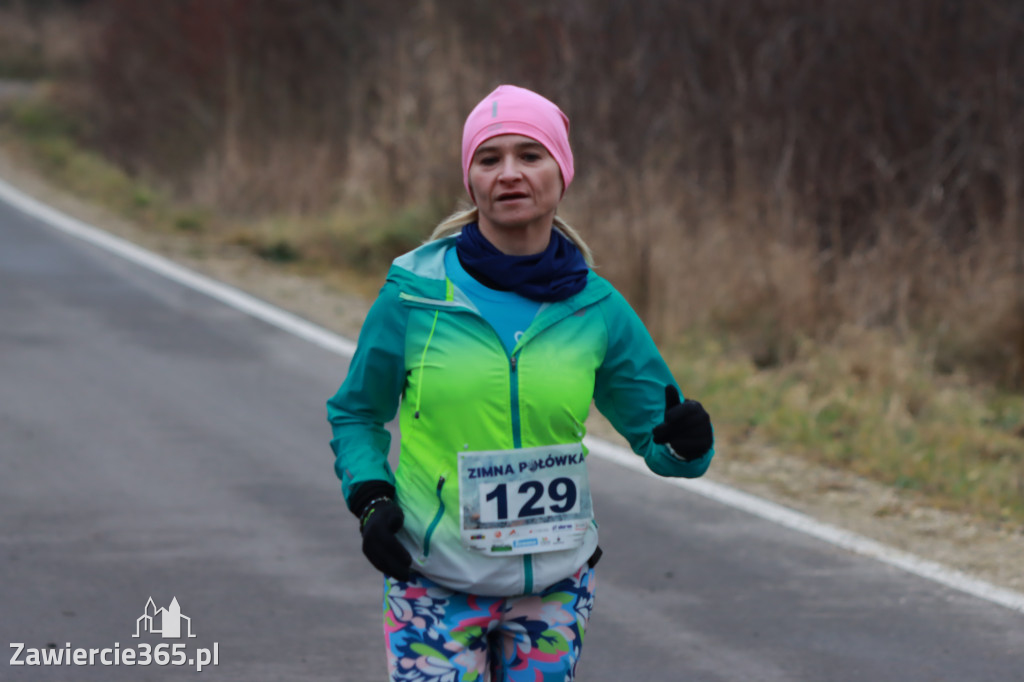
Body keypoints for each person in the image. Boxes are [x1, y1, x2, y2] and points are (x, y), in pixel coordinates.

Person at [326, 84, 715, 682]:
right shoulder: (414, 294)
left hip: (555, 589)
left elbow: (663, 444)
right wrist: (371, 498)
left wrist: (689, 444)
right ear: (471, 179)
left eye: (529, 156)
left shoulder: (598, 309)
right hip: (435, 582)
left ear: (562, 172)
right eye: (490, 158)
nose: (509, 174)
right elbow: (357, 413)